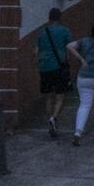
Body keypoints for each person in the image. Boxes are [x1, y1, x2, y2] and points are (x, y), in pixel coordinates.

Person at [33, 8, 73, 139]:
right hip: (59, 66)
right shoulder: (65, 31)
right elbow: (68, 50)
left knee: (48, 96)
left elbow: (36, 51)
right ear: (60, 18)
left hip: (45, 66)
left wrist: (38, 64)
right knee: (60, 95)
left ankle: (49, 118)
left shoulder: (41, 33)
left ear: (49, 18)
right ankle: (54, 118)